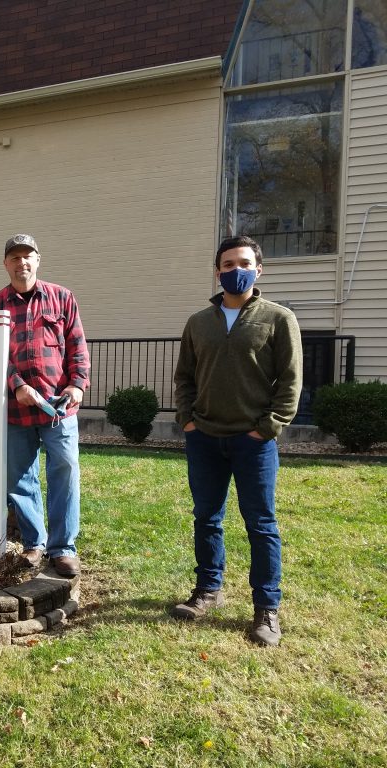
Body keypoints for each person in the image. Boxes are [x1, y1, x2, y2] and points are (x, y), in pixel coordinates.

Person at [172, 234, 302, 647]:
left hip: (254, 443)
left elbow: (291, 381)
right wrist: (188, 421)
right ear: (217, 272)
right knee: (206, 518)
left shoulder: (278, 319)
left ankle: (266, 608)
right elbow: (184, 378)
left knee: (261, 524)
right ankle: (208, 590)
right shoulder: (198, 323)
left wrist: (267, 427)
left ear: (258, 270)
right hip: (204, 438)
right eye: (228, 265)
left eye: (244, 264)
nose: (236, 271)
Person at [0, 233, 90, 576]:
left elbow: (77, 345)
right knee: (19, 477)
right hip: (16, 409)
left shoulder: (62, 297)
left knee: (65, 471)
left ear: (38, 260)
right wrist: (17, 385)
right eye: (15, 257)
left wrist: (77, 384)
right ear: (5, 264)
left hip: (59, 407)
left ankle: (63, 548)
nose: (22, 263)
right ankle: (34, 543)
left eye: (27, 256)